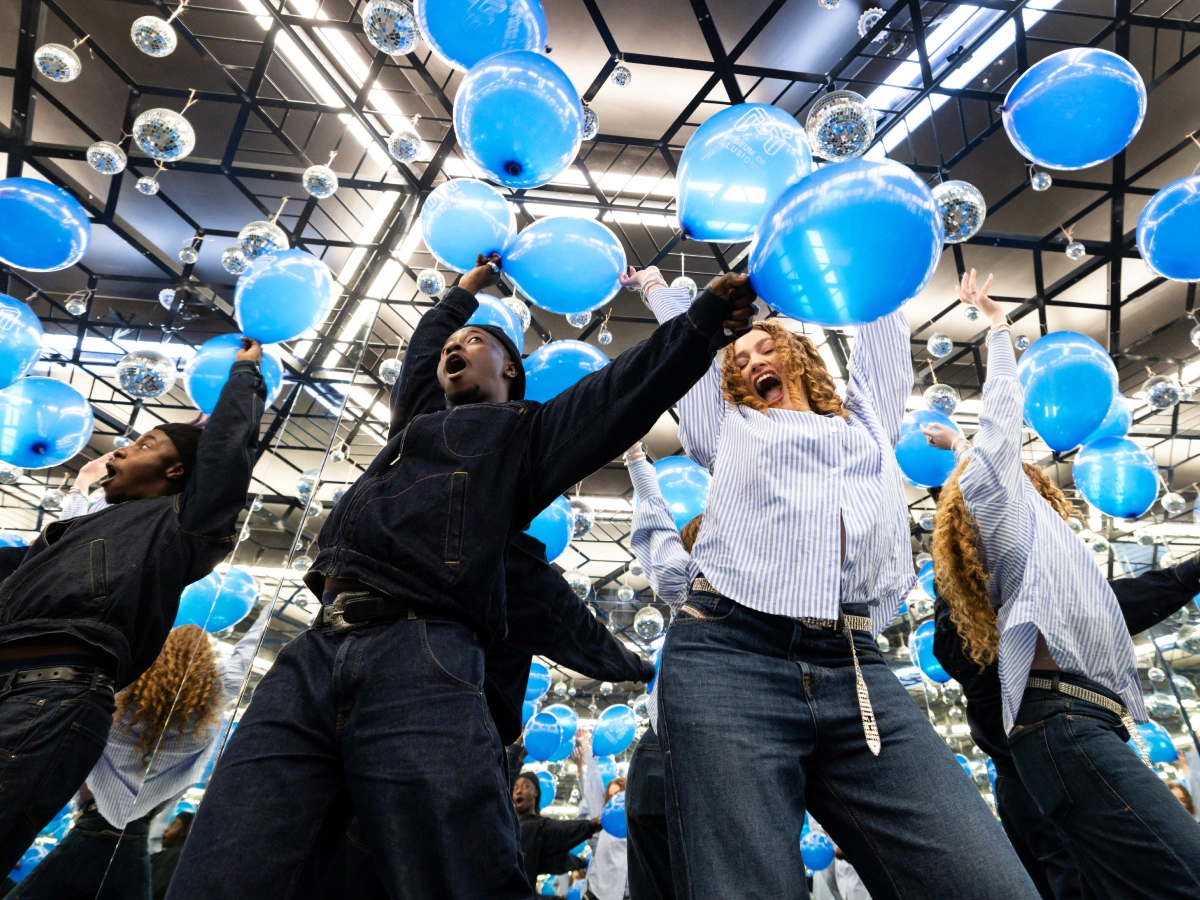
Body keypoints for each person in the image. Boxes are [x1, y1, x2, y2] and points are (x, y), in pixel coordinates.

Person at [167, 255, 755, 900]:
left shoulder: (524, 434)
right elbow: (422, 354)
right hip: (312, 651)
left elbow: (616, 393)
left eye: (474, 343)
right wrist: (459, 298)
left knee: (458, 871)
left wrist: (700, 324)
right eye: (452, 345)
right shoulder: (413, 429)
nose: (455, 349)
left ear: (511, 370)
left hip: (422, 655)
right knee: (227, 859)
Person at [625, 265, 1037, 900]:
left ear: (800, 361)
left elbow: (880, 328)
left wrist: (868, 240)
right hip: (730, 655)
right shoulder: (727, 426)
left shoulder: (866, 425)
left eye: (768, 347)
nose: (753, 360)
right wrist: (662, 291)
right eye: (740, 360)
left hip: (855, 665)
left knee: (986, 881)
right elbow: (690, 349)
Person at [925, 269, 1200, 898]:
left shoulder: (1051, 563)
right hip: (1060, 726)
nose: (1044, 493)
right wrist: (998, 328)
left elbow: (1123, 603)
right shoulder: (1002, 533)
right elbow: (994, 447)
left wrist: (1191, 570)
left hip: (1080, 727)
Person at [0, 340, 265, 873]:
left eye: (144, 444)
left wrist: (243, 376)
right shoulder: (76, 532)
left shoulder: (181, 526)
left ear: (176, 474)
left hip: (50, 695)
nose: (118, 450)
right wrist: (81, 489)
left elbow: (224, 453)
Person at [934, 546, 1200, 899]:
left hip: (1047, 751)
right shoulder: (985, 591)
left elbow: (1104, 608)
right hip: (1041, 754)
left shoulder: (1043, 586)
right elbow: (961, 650)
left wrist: (1186, 574)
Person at [5, 601, 271, 900]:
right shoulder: (215, 697)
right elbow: (249, 648)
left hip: (92, 825)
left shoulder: (126, 689)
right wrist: (271, 606)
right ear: (208, 661)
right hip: (135, 835)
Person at [623, 441, 702, 900]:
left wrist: (637, 462)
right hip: (674, 754)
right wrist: (636, 464)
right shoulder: (691, 586)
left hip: (673, 754)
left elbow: (656, 530)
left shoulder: (690, 587)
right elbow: (658, 531)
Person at [514, 770, 600, 886]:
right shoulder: (508, 827)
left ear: (536, 793)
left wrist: (590, 826)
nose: (519, 791)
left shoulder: (538, 827)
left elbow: (561, 831)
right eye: (515, 788)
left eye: (525, 786)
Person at [150, 812, 193, 900]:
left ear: (183, 832)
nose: (166, 829)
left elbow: (154, 889)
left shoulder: (174, 856)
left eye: (173, 825)